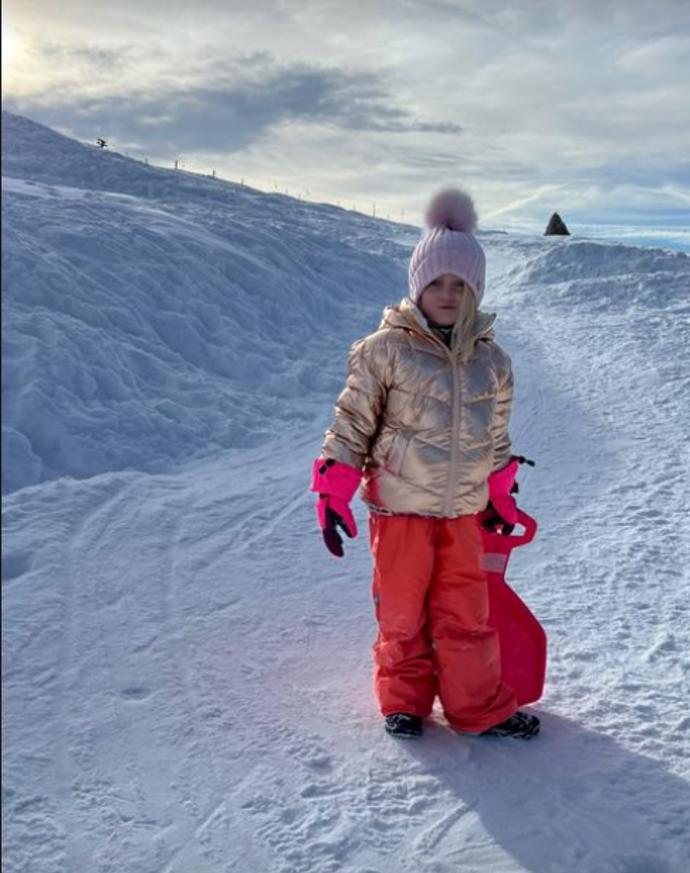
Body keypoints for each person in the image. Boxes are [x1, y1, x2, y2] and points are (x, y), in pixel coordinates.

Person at [310, 187, 540, 740]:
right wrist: (332, 489)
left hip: (462, 512)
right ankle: (404, 700)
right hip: (400, 508)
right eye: (436, 282)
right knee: (402, 612)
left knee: (467, 614)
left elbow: (497, 439)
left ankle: (478, 706)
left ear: (475, 291)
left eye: (459, 285)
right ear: (417, 284)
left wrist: (500, 496)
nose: (446, 293)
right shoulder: (384, 349)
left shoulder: (493, 362)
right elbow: (352, 424)